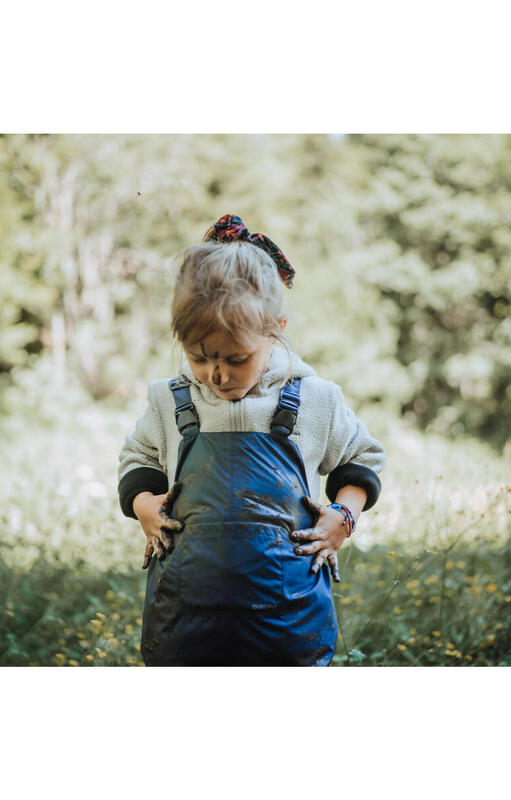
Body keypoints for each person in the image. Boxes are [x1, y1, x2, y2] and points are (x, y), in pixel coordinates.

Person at [117, 213, 386, 666]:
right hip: (184, 622)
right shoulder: (169, 400)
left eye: (235, 359)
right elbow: (137, 458)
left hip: (290, 623)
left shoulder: (316, 400)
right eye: (199, 358)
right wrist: (144, 504)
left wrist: (344, 516)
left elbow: (362, 458)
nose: (216, 375)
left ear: (275, 329)